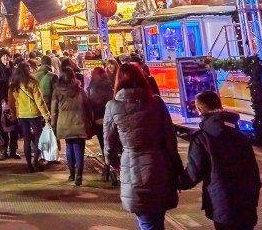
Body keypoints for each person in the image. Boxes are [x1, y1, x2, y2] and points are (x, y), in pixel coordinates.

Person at [104, 62, 182, 230]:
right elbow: (170, 139)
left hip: (132, 167)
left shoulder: (113, 106)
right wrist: (177, 168)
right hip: (160, 165)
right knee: (156, 219)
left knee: (147, 220)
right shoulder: (156, 103)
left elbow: (109, 144)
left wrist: (113, 163)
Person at [179, 91, 261, 230]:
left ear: (199, 110)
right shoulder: (239, 133)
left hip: (222, 204)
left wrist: (176, 181)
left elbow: (194, 173)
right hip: (247, 201)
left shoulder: (203, 137)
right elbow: (253, 170)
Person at [51, 66, 94, 184]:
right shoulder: (80, 91)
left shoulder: (57, 91)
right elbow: (88, 108)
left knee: (69, 147)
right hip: (80, 123)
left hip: (64, 124)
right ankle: (79, 175)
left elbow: (54, 111)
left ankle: (71, 174)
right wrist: (91, 121)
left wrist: (53, 125)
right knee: (79, 149)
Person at [7, 62, 52, 172]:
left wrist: (13, 115)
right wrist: (46, 115)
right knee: (38, 137)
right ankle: (35, 161)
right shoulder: (32, 82)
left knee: (27, 139)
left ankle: (29, 165)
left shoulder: (13, 84)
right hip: (34, 114)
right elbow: (39, 101)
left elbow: (11, 102)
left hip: (21, 115)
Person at [87, 65, 115, 179]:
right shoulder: (109, 87)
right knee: (112, 143)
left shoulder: (91, 88)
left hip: (98, 120)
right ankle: (111, 167)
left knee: (103, 144)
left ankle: (107, 167)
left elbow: (89, 105)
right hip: (110, 119)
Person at [0, 50, 17, 159]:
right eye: (3, 56)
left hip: (14, 101)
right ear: (0, 58)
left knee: (15, 126)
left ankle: (13, 150)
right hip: (2, 103)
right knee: (2, 127)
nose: (6, 58)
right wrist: (2, 99)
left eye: (7, 56)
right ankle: (3, 150)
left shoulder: (14, 68)